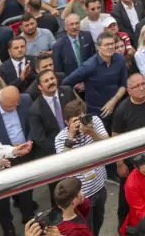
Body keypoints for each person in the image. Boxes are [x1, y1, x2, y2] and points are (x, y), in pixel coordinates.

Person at [0, 86, 36, 236]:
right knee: (3, 197)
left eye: (17, 103)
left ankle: (28, 216)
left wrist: (29, 141)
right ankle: (8, 227)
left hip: (26, 153)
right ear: (0, 102)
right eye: (11, 105)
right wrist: (11, 148)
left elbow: (33, 122)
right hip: (4, 160)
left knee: (27, 187)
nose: (15, 107)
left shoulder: (25, 100)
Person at [53, 100, 109, 233]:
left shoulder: (93, 121)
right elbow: (63, 165)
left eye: (83, 118)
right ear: (67, 122)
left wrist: (91, 132)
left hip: (99, 186)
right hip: (81, 196)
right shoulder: (60, 138)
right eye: (76, 120)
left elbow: (109, 145)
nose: (81, 123)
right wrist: (70, 138)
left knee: (99, 221)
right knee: (86, 228)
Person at [63, 32, 129, 120]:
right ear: (98, 47)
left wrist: (113, 102)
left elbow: (123, 85)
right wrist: (80, 101)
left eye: (112, 44)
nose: (110, 47)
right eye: (106, 45)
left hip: (118, 107)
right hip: (97, 113)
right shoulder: (89, 66)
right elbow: (65, 83)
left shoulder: (120, 60)